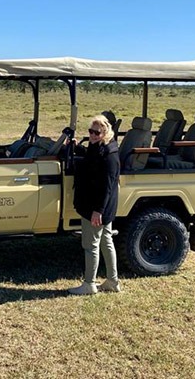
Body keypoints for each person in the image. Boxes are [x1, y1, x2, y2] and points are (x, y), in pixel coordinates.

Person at [68, 115, 122, 295]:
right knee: (106, 241)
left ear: (105, 133)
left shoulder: (109, 156)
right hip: (101, 206)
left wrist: (98, 211)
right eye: (90, 131)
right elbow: (90, 158)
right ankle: (113, 281)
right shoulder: (99, 148)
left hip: (97, 207)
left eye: (96, 133)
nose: (92, 135)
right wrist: (77, 147)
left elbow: (107, 187)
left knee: (91, 245)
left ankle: (89, 284)